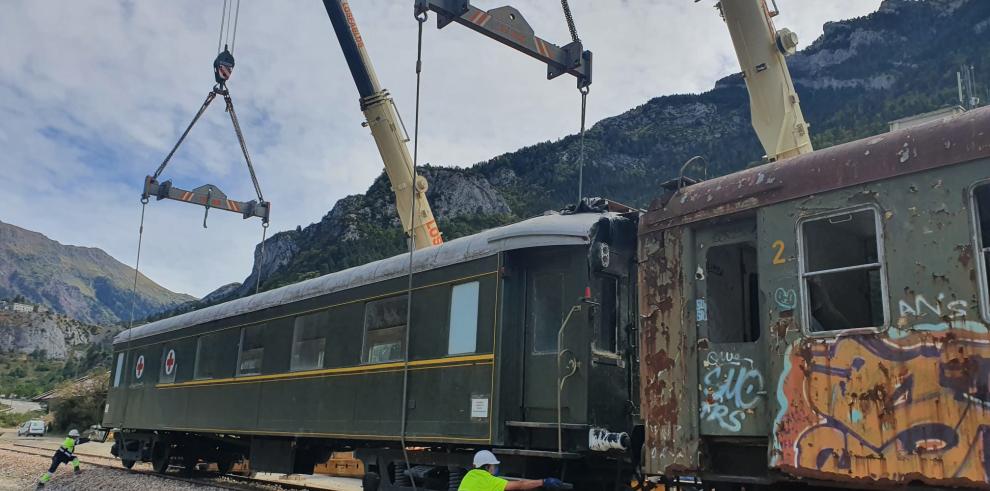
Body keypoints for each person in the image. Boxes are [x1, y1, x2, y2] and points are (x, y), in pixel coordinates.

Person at [458, 450, 565, 490]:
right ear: (487, 467)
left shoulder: (468, 477)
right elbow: (520, 485)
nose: (495, 468)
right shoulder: (489, 481)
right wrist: (544, 482)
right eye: (493, 466)